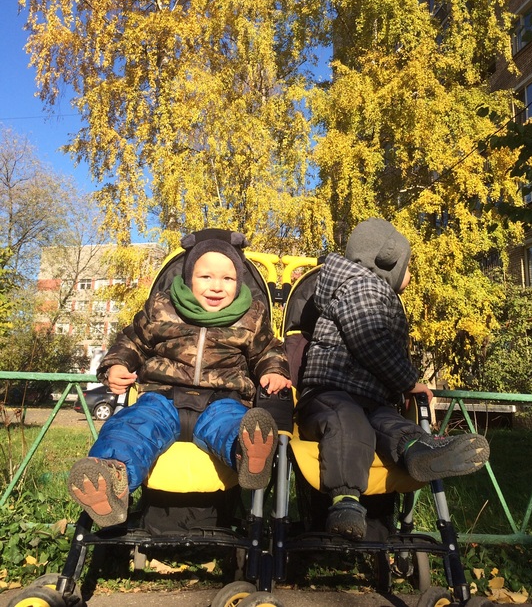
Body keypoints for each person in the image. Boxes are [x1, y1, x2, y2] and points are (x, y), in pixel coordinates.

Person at [68, 229, 292, 528]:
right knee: (132, 428)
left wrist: (274, 371)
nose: (217, 286)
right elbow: (132, 341)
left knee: (232, 425)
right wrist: (117, 365)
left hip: (222, 398)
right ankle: (111, 478)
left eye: (228, 278)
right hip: (162, 397)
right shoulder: (162, 308)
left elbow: (267, 350)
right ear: (189, 278)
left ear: (239, 282)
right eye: (205, 277)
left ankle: (247, 454)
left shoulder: (251, 316)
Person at [296, 218, 490, 541]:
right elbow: (371, 342)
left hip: (370, 399)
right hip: (329, 394)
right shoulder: (361, 286)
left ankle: (419, 450)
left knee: (390, 423)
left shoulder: (370, 289)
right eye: (407, 266)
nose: (410, 274)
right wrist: (408, 382)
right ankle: (345, 500)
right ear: (386, 261)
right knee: (349, 422)